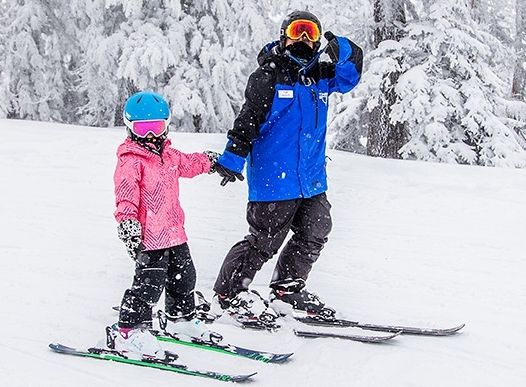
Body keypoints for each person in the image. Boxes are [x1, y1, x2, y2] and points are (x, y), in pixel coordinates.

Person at [210, 10, 363, 328]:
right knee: (264, 239)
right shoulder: (269, 75)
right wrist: (232, 158)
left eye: (311, 33)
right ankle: (230, 293)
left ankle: (287, 288)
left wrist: (343, 48)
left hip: (310, 178)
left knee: (316, 229)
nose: (304, 39)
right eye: (297, 31)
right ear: (284, 35)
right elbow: (248, 119)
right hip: (274, 178)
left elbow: (350, 76)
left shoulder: (321, 74)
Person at [108, 90, 222, 361]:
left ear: (166, 126)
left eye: (156, 127)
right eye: (142, 129)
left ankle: (180, 318)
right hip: (150, 238)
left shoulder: (169, 155)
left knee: (185, 278)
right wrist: (128, 225)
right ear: (130, 128)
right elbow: (125, 198)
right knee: (148, 286)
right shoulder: (130, 162)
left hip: (174, 232)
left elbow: (190, 163)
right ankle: (128, 331)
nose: (150, 136)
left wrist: (211, 161)